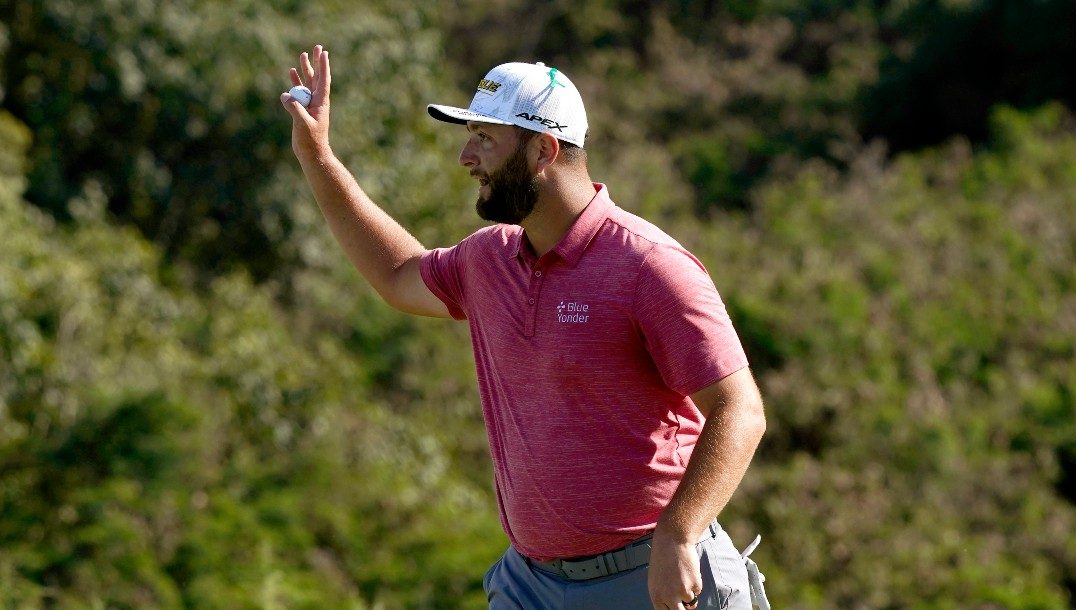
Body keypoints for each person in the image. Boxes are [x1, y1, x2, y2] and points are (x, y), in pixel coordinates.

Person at [280, 45, 767, 610]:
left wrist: (681, 532)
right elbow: (396, 275)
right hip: (529, 583)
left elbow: (740, 411)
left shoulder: (649, 266)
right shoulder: (489, 259)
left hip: (650, 574)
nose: (466, 156)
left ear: (544, 150)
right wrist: (318, 158)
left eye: (485, 138)